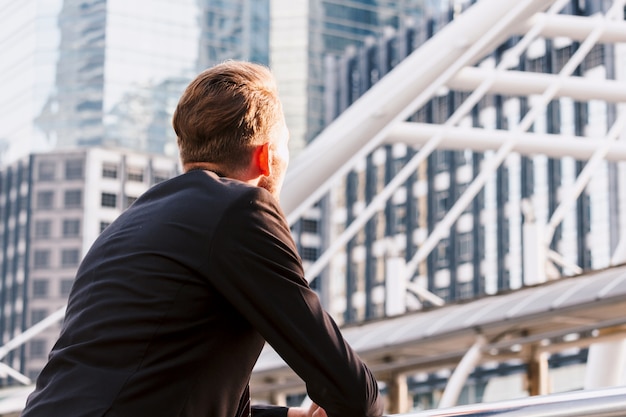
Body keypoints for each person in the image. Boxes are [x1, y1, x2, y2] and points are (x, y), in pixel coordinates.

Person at [21, 61, 383, 417]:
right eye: (285, 144)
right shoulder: (243, 210)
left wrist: (290, 416)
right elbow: (354, 395)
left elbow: (172, 388)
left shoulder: (127, 224)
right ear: (266, 157)